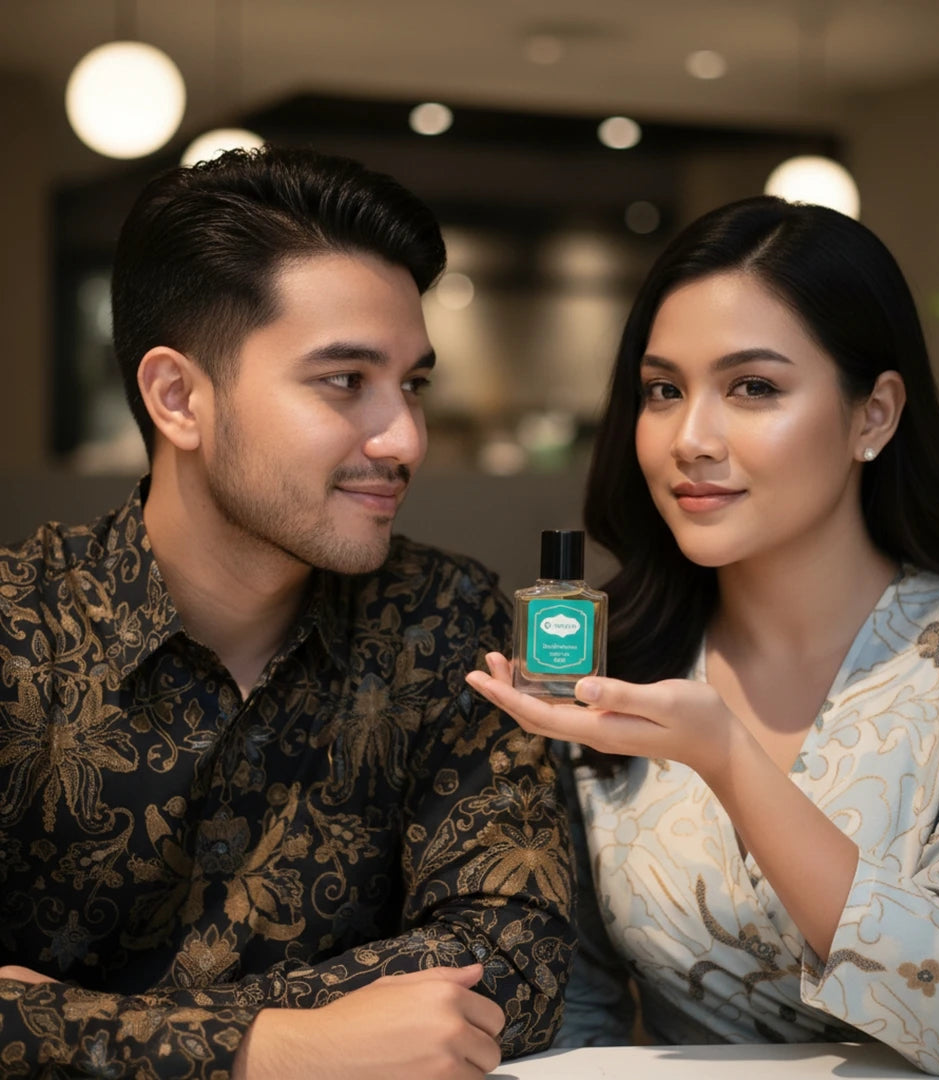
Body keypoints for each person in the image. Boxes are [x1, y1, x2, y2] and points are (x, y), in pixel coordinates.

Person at [466, 195, 939, 1076]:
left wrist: (729, 757)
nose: (691, 438)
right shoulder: (612, 668)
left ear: (873, 415)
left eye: (754, 388)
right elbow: (580, 1008)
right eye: (663, 391)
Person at [0, 146, 572, 1079]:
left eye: (413, 384)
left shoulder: (441, 615)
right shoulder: (22, 632)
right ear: (178, 398)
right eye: (345, 380)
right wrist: (270, 1048)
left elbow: (517, 953)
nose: (406, 438)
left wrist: (62, 1028)